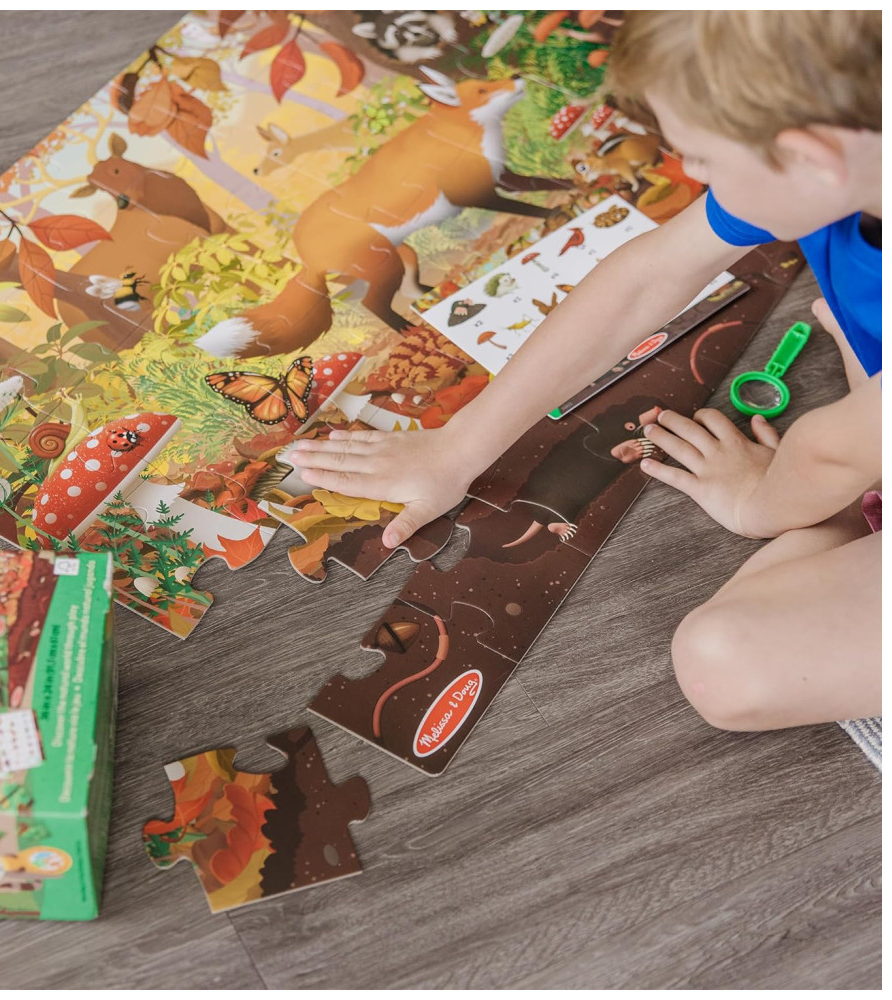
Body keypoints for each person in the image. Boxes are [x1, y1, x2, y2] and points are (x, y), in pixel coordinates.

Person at [289, 11, 881, 732]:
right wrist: (459, 447)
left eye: (703, 158)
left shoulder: (812, 165)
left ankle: (855, 502)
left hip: (852, 443)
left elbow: (826, 450)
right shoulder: (838, 156)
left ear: (809, 156)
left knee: (726, 665)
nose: (694, 175)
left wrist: (765, 501)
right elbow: (646, 277)